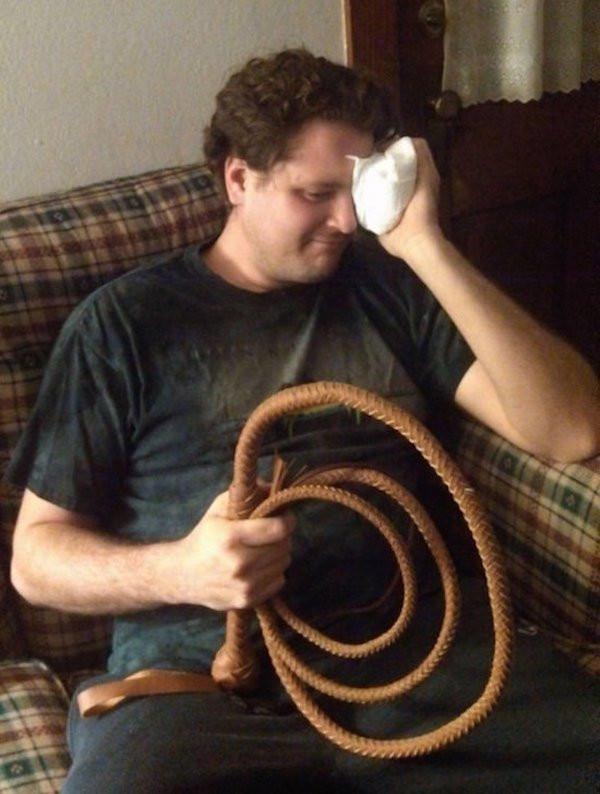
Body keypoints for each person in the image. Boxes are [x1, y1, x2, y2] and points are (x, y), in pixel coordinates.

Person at [7, 49, 599, 793]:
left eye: (356, 191)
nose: (346, 221)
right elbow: (36, 560)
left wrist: (427, 247)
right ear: (238, 179)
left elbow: (572, 430)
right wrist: (182, 569)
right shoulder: (123, 325)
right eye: (315, 193)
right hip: (203, 685)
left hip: (414, 660)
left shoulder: (390, 287)